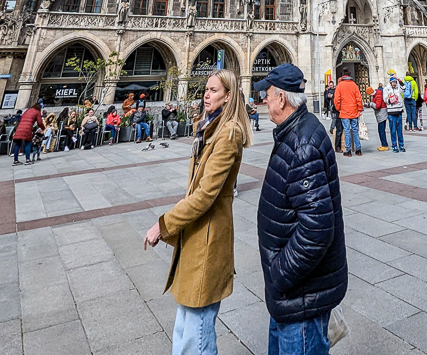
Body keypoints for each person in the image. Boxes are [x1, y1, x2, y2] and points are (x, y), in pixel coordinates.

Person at [144, 69, 251, 355]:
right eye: (206, 88)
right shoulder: (208, 129)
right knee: (185, 328)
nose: (206, 94)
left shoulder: (228, 134)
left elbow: (204, 195)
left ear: (229, 97)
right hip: (196, 236)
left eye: (214, 90)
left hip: (208, 237)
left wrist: (163, 225)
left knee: (196, 336)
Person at [255, 64, 347, 355]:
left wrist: (280, 274)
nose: (264, 101)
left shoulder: (302, 142)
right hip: (290, 294)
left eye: (267, 94)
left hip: (300, 293)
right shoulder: (293, 133)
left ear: (282, 99)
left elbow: (317, 228)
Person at [333, 68, 363, 156]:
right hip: (354, 111)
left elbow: (336, 100)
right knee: (355, 130)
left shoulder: (340, 86)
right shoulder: (354, 85)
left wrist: (339, 109)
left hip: (344, 111)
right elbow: (359, 98)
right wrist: (360, 109)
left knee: (346, 131)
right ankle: (358, 150)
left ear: (342, 76)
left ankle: (348, 150)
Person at [13, 102, 45, 166]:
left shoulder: (27, 110)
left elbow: (21, 118)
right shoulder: (37, 112)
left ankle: (15, 160)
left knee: (17, 143)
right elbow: (39, 122)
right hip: (27, 129)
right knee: (28, 143)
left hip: (19, 128)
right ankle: (27, 160)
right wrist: (43, 128)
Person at [385, 75, 405, 152]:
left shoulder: (398, 88)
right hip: (391, 112)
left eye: (395, 82)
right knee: (393, 130)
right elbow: (385, 99)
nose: (394, 83)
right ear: (390, 82)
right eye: (393, 82)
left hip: (399, 111)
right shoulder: (386, 89)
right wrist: (391, 100)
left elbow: (404, 87)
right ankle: (394, 145)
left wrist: (399, 79)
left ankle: (401, 145)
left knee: (399, 131)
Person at [369, 83, 389, 150]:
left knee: (381, 130)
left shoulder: (378, 95)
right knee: (380, 130)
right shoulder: (377, 94)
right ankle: (383, 144)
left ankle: (384, 145)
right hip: (380, 114)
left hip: (382, 114)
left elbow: (377, 106)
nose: (370, 96)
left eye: (369, 94)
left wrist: (371, 104)